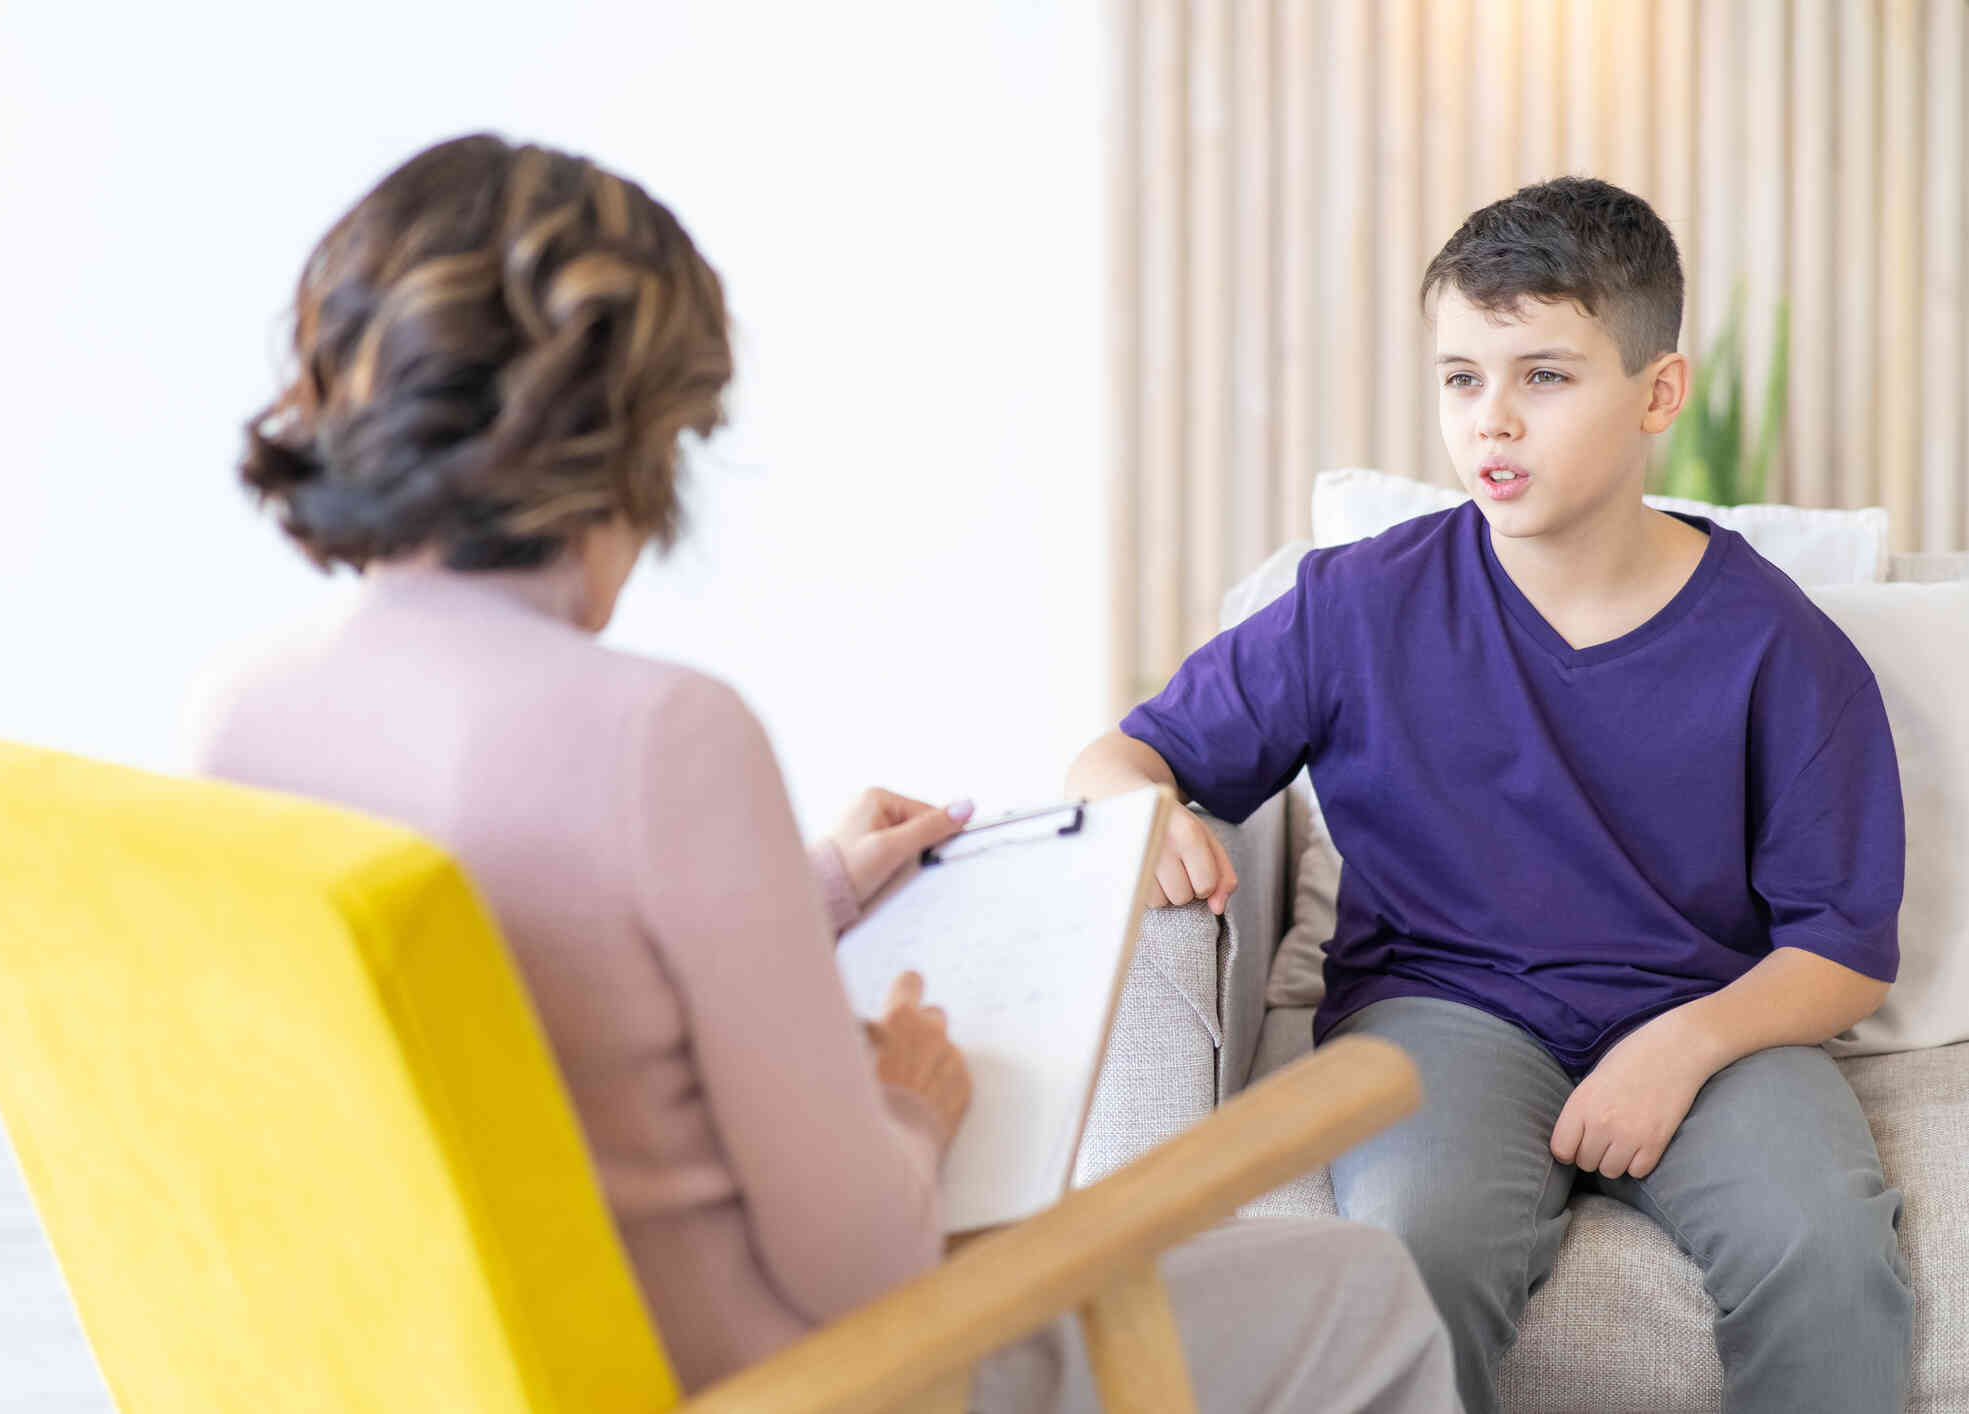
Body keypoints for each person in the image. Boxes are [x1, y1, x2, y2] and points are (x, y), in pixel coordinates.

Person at [187, 133, 1459, 1413]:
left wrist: (801, 890)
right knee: (1360, 1285)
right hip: (798, 1376)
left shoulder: (249, 719)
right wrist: (910, 1102)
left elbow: (519, 971)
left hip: (440, 1366)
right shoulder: (661, 739)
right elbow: (861, 1258)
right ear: (635, 440)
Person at [1066, 176, 1913, 1413]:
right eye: (1462, 378)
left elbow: (1843, 947)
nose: (1491, 423)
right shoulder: (1357, 603)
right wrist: (1145, 810)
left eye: (1544, 376)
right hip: (1440, 1010)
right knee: (1414, 1247)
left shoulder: (1781, 646)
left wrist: (1681, 1048)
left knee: (1830, 1256)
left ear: (1657, 394)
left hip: (1708, 1021)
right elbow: (1124, 756)